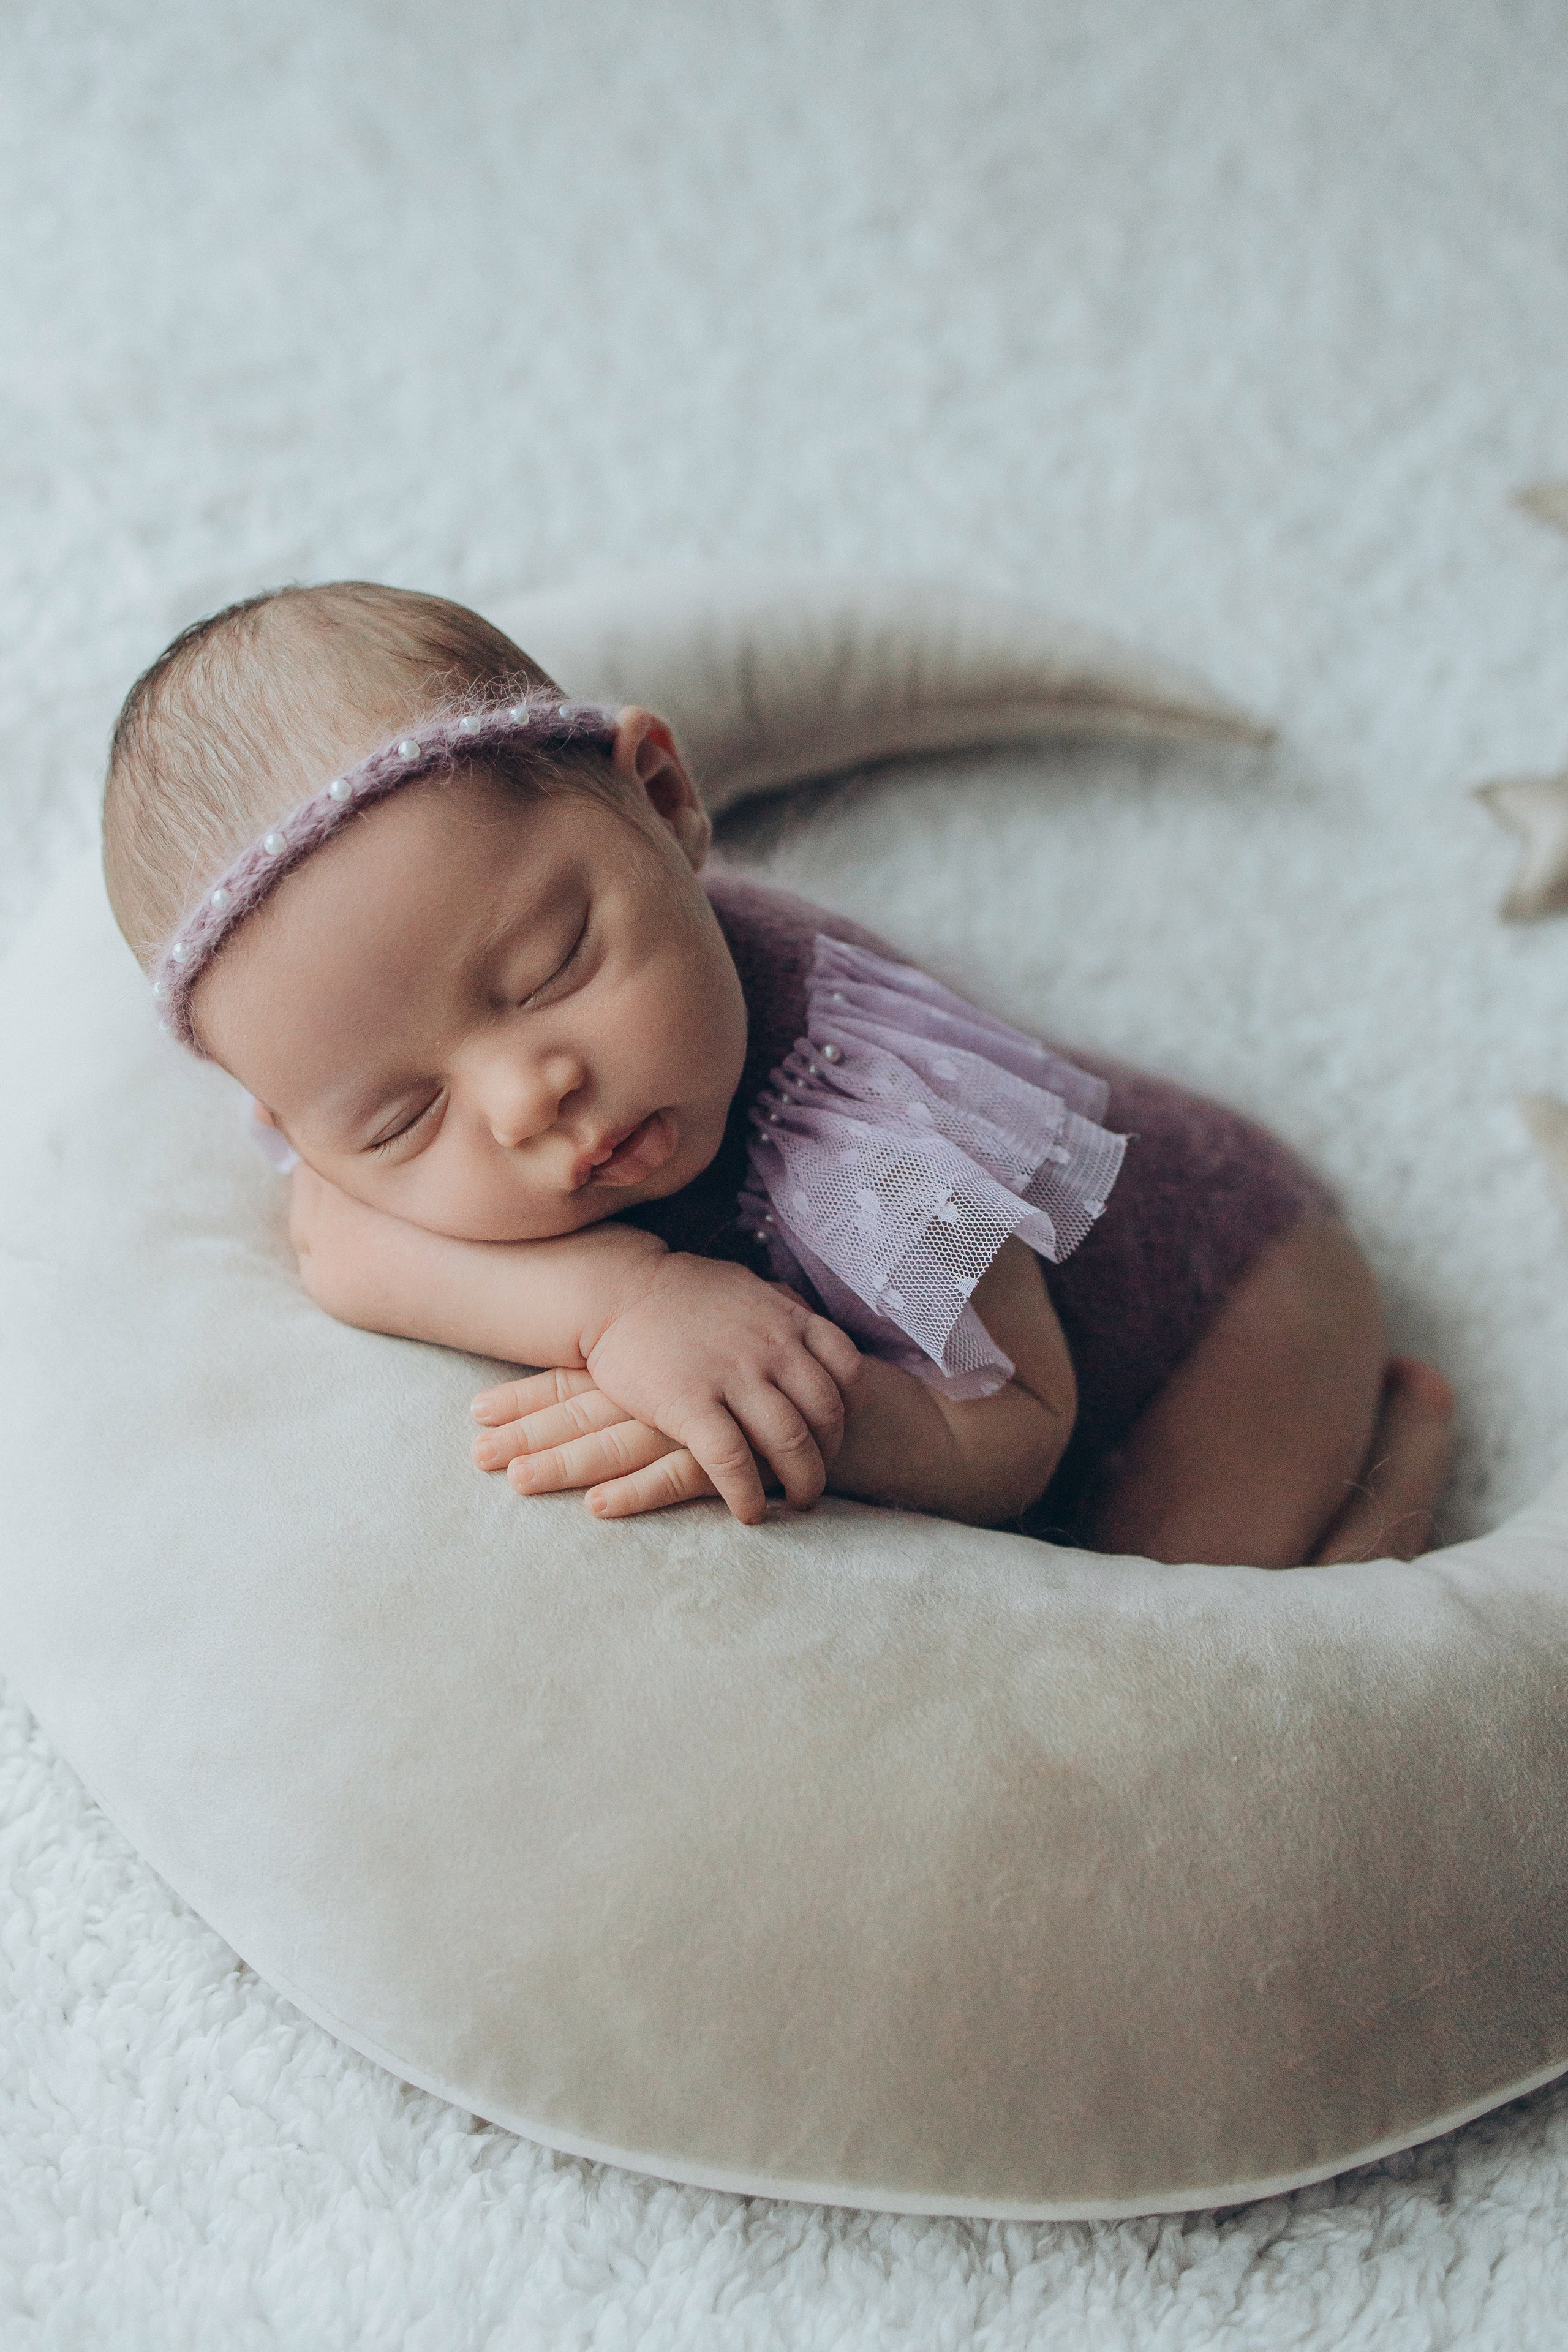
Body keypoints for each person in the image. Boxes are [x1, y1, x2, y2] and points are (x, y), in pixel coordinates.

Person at [102, 580, 1455, 1564]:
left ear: (665, 800)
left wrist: (781, 1402)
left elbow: (1017, 1423)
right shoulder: (348, 1131)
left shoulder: (859, 1098)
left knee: (1182, 1592)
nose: (527, 1099)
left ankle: (1387, 1493)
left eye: (553, 965)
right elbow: (334, 1241)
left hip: (1216, 1301)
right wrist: (621, 1305)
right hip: (1111, 1326)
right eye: (404, 1116)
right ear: (292, 1121)